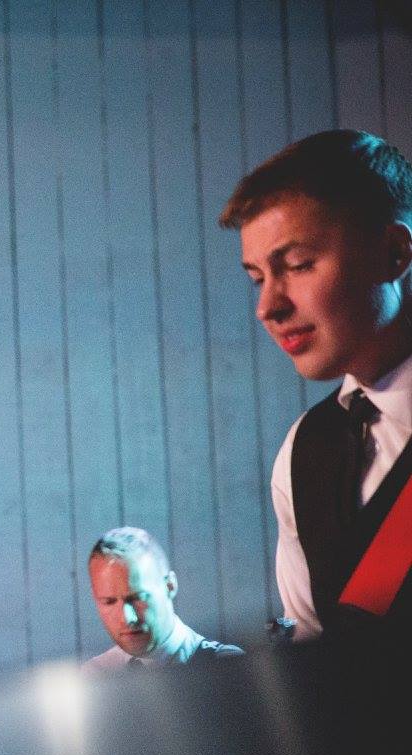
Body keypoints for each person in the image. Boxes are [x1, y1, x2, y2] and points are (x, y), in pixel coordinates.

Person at [220, 130, 412, 643]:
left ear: (394, 253)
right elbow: (315, 648)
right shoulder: (302, 452)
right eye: (258, 277)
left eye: (299, 265)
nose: (268, 308)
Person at [83, 527, 242, 672]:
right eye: (109, 601)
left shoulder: (229, 668)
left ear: (170, 586)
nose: (128, 618)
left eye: (138, 597)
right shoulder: (94, 677)